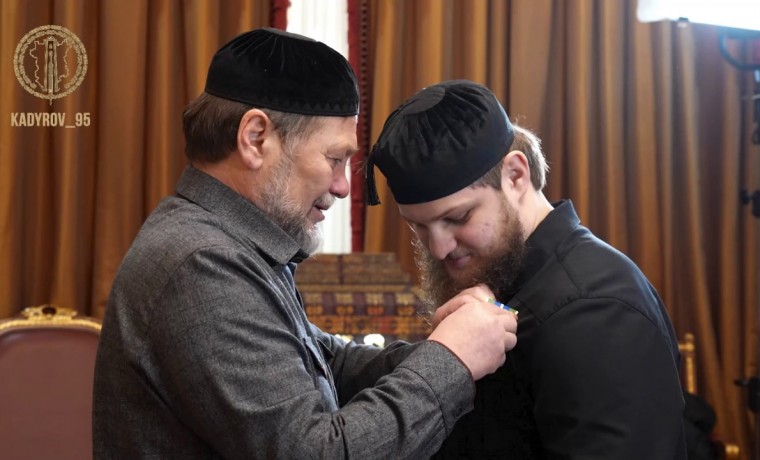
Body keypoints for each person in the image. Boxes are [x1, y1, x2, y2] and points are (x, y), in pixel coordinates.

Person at [92, 30, 518, 459]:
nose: (343, 187)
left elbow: (324, 362)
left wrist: (452, 345)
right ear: (255, 138)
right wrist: (451, 359)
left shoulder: (228, 244)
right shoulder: (201, 264)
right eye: (335, 159)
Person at [366, 80, 687, 459]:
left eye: (458, 217)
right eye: (419, 227)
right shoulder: (500, 280)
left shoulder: (595, 310)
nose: (438, 248)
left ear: (516, 176)